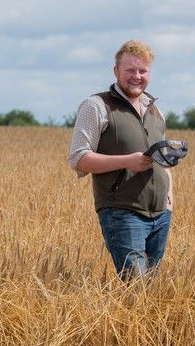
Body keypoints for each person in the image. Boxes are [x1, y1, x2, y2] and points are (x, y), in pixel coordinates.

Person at [68, 40, 174, 281]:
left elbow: (162, 161)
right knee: (136, 286)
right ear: (116, 71)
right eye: (130, 70)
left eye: (142, 70)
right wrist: (128, 161)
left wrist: (169, 201)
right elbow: (78, 158)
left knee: (152, 286)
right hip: (122, 212)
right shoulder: (96, 105)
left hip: (160, 214)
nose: (136, 76)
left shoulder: (155, 110)